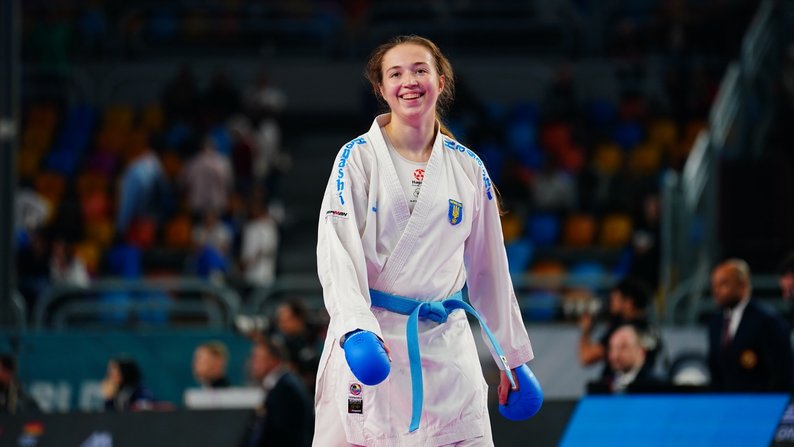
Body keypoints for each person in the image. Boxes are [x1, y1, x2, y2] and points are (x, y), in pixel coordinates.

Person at [314, 35, 540, 446]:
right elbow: (337, 249)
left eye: (420, 70)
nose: (409, 82)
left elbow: (490, 269)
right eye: (395, 74)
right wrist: (354, 327)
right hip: (375, 342)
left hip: (446, 346)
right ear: (381, 88)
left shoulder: (467, 167)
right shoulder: (356, 159)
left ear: (440, 81)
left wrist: (511, 356)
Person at [707, 258, 793, 392]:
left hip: (762, 401)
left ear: (742, 285)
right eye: (714, 285)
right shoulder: (715, 324)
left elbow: (780, 373)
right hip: (725, 402)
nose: (716, 291)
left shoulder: (767, 321)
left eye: (723, 284)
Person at [579, 277, 663, 380]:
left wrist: (586, 331)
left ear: (628, 303)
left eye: (615, 299)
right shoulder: (652, 329)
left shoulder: (621, 332)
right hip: (645, 385)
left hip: (619, 387)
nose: (611, 304)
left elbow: (586, 357)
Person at [240, 336, 314, 447]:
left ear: (273, 360)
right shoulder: (283, 384)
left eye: (257, 358)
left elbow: (281, 433)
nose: (253, 363)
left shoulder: (286, 388)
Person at [586, 325, 666, 394]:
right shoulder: (602, 385)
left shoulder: (656, 387)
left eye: (623, 348)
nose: (615, 356)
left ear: (641, 351)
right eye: (612, 349)